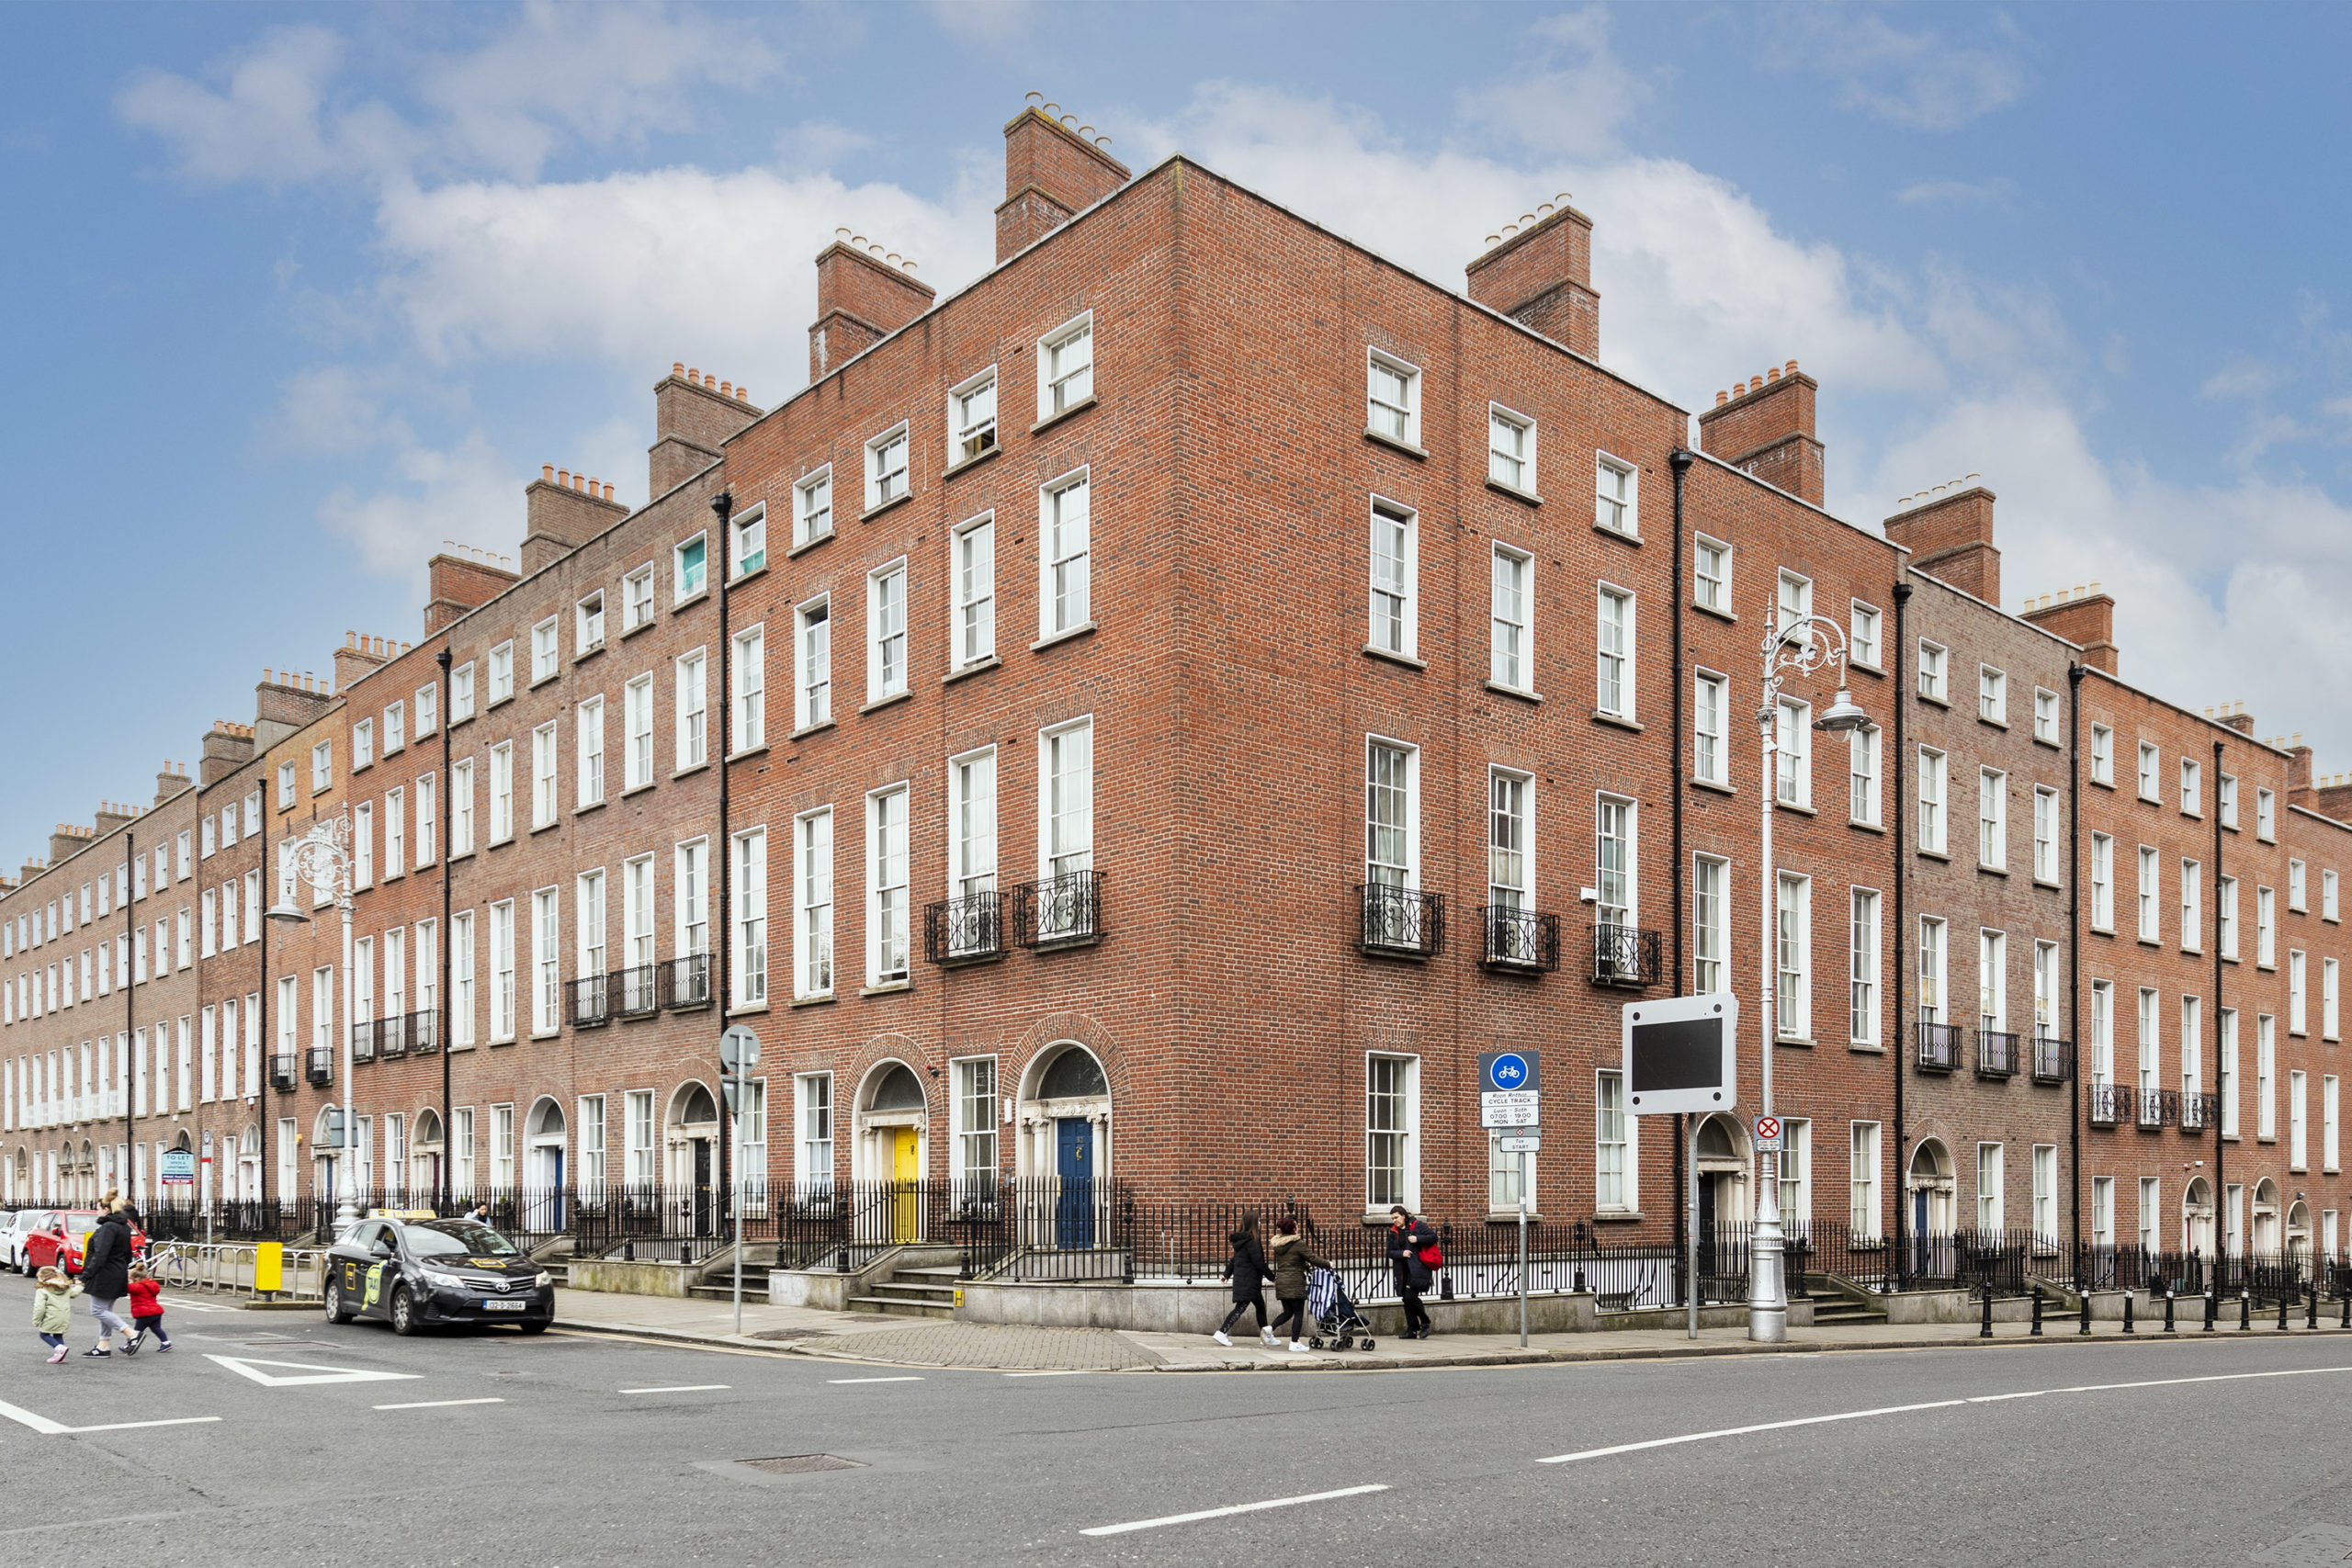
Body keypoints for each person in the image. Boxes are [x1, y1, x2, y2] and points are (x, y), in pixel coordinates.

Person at [77, 1201, 135, 1359]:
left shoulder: (108, 1227)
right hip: (117, 1272)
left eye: (98, 1209)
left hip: (105, 1274)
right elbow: (128, 1254)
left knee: (97, 1310)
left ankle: (131, 1334)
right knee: (105, 1311)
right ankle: (103, 1346)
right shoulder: (124, 1226)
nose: (96, 1212)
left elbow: (100, 1254)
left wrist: (85, 1276)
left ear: (106, 1209)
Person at [1266, 1216, 1330, 1354]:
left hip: (1282, 1282)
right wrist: (1328, 1264)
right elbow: (1312, 1258)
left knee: (1288, 1312)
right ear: (1293, 1229)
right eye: (1296, 1226)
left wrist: (1304, 1265)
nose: (1298, 1228)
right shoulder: (1298, 1243)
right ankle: (1294, 1343)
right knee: (1299, 1313)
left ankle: (1269, 1329)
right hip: (1294, 1282)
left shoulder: (1279, 1245)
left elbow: (1292, 1260)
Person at [1214, 1213, 1277, 1348]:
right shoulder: (1252, 1241)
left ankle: (1266, 1336)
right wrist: (1272, 1277)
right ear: (1253, 1223)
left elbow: (1235, 1260)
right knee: (1241, 1307)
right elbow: (1259, 1263)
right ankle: (1222, 1332)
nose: (1260, 1223)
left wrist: (1226, 1274)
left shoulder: (1242, 1241)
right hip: (1250, 1280)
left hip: (1246, 1279)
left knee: (1260, 1306)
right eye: (1258, 1221)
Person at [1385, 1204, 1438, 1339]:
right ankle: (1412, 1330)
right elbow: (1389, 1252)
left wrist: (1417, 1239)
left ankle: (1425, 1322)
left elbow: (1433, 1237)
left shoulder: (1417, 1225)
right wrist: (1402, 1253)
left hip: (1417, 1269)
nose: (1394, 1221)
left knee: (1410, 1297)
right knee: (1406, 1299)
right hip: (1402, 1271)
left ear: (1403, 1216)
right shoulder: (1393, 1232)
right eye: (1392, 1218)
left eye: (1396, 1217)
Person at [33, 1267, 81, 1364]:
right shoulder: (65, 1288)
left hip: (50, 1317)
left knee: (44, 1334)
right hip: (64, 1316)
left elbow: (40, 1307)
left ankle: (59, 1348)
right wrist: (80, 1285)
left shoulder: (42, 1290)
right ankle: (60, 1356)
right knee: (58, 1334)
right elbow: (74, 1293)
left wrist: (36, 1320)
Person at [123, 1262, 171, 1355]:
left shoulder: (137, 1286)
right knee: (157, 1328)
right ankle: (166, 1342)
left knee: (136, 1332)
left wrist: (127, 1282)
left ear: (135, 1279)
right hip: (156, 1311)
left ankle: (128, 1345)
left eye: (131, 1280)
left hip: (144, 1313)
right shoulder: (151, 1285)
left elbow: (126, 1288)